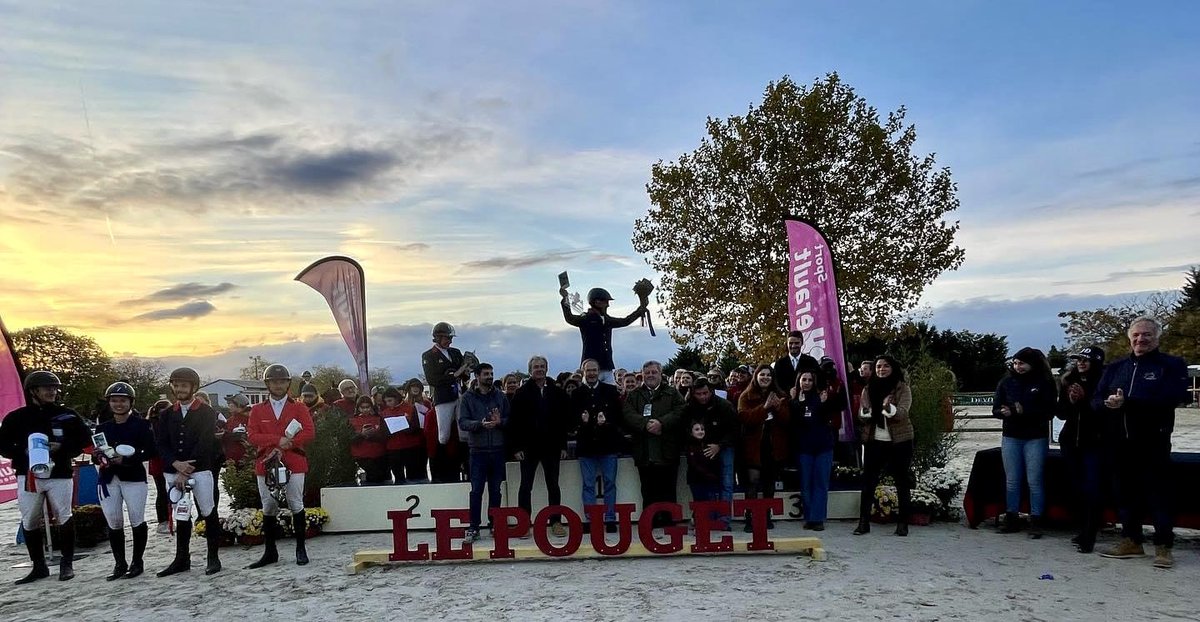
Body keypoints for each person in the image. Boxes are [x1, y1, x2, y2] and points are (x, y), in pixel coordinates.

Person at [1094, 317, 1190, 568]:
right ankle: (1131, 541)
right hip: (1119, 442)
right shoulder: (1116, 367)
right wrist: (1106, 403)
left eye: (1147, 334)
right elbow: (1096, 399)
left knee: (1158, 495)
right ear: (1129, 338)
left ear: (1157, 337)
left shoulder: (1171, 365)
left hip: (1153, 441)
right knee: (1124, 494)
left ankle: (1163, 547)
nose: (1141, 339)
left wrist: (1129, 403)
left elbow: (1174, 396)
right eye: (1136, 335)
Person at [0, 371, 91, 584]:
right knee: (30, 519)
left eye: (54, 388)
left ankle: (67, 563)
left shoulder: (68, 415)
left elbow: (84, 440)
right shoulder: (16, 417)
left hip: (59, 473)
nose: (52, 391)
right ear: (33, 391)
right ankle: (38, 566)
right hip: (28, 475)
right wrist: (22, 450)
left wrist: (62, 447)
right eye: (47, 388)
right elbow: (2, 445)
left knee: (64, 515)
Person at [156, 367, 225, 576]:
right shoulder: (166, 414)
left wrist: (186, 470)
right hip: (174, 469)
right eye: (176, 385)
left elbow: (204, 442)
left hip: (200, 468)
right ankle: (181, 558)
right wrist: (175, 463)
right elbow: (161, 443)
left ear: (193, 387)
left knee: (208, 511)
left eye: (184, 385)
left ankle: (213, 557)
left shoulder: (207, 412)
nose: (179, 389)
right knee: (181, 513)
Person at [247, 364, 316, 568]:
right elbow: (252, 435)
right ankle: (270, 551)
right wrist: (277, 440)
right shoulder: (257, 410)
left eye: (282, 381)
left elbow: (309, 432)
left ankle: (300, 549)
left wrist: (289, 443)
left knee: (296, 503)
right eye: (274, 382)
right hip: (266, 461)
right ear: (267, 384)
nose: (278, 385)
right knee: (269, 505)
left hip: (293, 460)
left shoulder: (299, 407)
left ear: (288, 384)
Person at [94, 381, 157, 580]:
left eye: (122, 400)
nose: (118, 404)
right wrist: (99, 457)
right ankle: (119, 563)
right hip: (109, 478)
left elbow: (151, 451)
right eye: (114, 400)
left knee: (136, 518)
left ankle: (137, 561)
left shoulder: (142, 425)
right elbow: (97, 453)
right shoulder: (102, 427)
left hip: (133, 477)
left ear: (130, 402)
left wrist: (128, 459)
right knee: (114, 520)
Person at [992, 347, 1056, 538]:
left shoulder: (1044, 382)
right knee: (1012, 479)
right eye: (1015, 363)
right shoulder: (1006, 382)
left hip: (1035, 436)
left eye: (1022, 363)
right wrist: (1003, 412)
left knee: (1034, 480)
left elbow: (1049, 411)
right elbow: (996, 408)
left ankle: (1036, 519)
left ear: (1032, 364)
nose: (1017, 367)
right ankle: (1011, 516)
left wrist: (1024, 411)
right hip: (1011, 435)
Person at [510, 355, 572, 537]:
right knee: (525, 486)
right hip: (528, 448)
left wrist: (563, 446)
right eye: (536, 367)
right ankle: (523, 524)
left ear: (547, 368)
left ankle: (556, 522)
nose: (539, 369)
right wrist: (516, 448)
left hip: (552, 447)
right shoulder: (521, 393)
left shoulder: (557, 392)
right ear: (530, 370)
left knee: (553, 486)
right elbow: (514, 422)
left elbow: (563, 422)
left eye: (542, 366)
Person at [854, 355, 914, 537]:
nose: (881, 369)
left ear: (893, 368)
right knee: (868, 482)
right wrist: (864, 413)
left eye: (886, 366)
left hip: (900, 441)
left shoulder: (902, 388)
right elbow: (862, 415)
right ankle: (863, 522)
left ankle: (903, 523)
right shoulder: (868, 388)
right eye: (878, 366)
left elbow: (902, 413)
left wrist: (888, 409)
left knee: (902, 482)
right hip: (875, 441)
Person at [622, 360, 685, 529]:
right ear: (642, 375)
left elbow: (681, 411)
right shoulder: (634, 395)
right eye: (647, 372)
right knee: (648, 489)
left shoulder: (672, 393)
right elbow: (628, 414)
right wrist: (645, 424)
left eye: (654, 372)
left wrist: (661, 423)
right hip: (645, 451)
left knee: (668, 488)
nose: (650, 375)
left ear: (660, 374)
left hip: (667, 450)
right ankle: (651, 521)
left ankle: (669, 522)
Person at [1056, 345, 1106, 553]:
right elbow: (1060, 413)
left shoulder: (1105, 381)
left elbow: (1104, 411)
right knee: (1077, 487)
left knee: (1093, 488)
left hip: (1095, 441)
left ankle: (1090, 533)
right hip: (1070, 441)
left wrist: (1085, 399)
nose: (1081, 363)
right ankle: (1082, 528)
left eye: (1086, 360)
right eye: (1078, 360)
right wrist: (1070, 400)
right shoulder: (1068, 380)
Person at [457, 363, 509, 544]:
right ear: (477, 376)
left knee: (496, 490)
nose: (489, 377)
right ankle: (474, 527)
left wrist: (500, 422)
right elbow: (462, 422)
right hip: (477, 451)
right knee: (476, 490)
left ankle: (494, 524)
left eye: (491, 373)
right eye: (486, 374)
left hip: (497, 449)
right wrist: (479, 424)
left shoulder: (501, 396)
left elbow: (510, 419)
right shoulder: (467, 398)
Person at [572, 359, 625, 533]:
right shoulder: (577, 393)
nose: (592, 373)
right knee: (588, 485)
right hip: (586, 446)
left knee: (610, 483)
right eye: (589, 370)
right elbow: (570, 420)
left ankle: (610, 519)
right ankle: (591, 519)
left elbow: (619, 417)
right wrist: (582, 421)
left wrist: (606, 422)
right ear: (583, 372)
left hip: (608, 445)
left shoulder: (610, 391)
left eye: (594, 370)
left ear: (599, 371)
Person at [737, 364, 790, 531]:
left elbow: (787, 420)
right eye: (762, 375)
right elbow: (745, 418)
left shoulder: (781, 396)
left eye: (768, 375)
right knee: (752, 482)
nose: (765, 378)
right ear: (756, 377)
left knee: (769, 482)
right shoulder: (745, 396)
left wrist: (778, 407)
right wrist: (765, 407)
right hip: (753, 446)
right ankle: (750, 517)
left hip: (773, 446)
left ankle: (767, 516)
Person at [561, 286, 648, 385]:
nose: (608, 305)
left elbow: (625, 321)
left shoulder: (607, 319)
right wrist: (565, 298)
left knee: (611, 392)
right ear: (597, 302)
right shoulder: (585, 319)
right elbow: (569, 318)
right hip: (591, 366)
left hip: (607, 366)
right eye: (606, 302)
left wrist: (641, 309)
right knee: (590, 392)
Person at [682, 377, 738, 530]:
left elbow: (735, 430)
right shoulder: (690, 407)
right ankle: (709, 518)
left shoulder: (724, 405)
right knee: (705, 483)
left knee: (726, 483)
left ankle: (724, 520)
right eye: (698, 394)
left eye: (705, 393)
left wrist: (720, 445)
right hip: (700, 447)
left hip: (724, 445)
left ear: (711, 391)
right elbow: (684, 429)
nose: (702, 397)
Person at [790, 370, 841, 531]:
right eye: (803, 379)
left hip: (823, 447)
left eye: (810, 380)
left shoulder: (821, 397)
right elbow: (794, 422)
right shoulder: (794, 400)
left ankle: (817, 518)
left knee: (820, 483)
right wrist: (796, 402)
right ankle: (809, 517)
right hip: (804, 448)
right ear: (799, 381)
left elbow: (827, 417)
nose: (806, 383)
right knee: (806, 484)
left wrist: (823, 403)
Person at [421, 322, 471, 445]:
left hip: (460, 394)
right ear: (437, 338)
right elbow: (432, 380)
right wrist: (453, 376)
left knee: (464, 433)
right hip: (443, 397)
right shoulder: (428, 355)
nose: (450, 341)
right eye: (447, 338)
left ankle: (464, 455)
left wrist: (467, 369)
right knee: (443, 436)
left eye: (450, 338)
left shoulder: (455, 352)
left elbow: (464, 375)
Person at [385, 386, 428, 484]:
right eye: (386, 401)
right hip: (394, 448)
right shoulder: (384, 412)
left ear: (396, 398)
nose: (388, 404)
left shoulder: (410, 408)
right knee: (398, 477)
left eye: (390, 400)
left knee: (413, 476)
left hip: (410, 446)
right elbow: (384, 432)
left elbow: (416, 427)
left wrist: (404, 426)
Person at [686, 421, 722, 526]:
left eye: (702, 429)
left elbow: (713, 461)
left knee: (707, 501)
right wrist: (708, 474)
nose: (700, 431)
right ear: (691, 432)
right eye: (697, 429)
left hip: (708, 480)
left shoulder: (708, 445)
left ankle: (704, 521)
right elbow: (693, 464)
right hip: (696, 479)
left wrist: (713, 475)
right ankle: (696, 521)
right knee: (698, 500)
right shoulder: (690, 446)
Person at [146, 398, 173, 534]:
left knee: (163, 491)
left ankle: (166, 520)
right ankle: (164, 520)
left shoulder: (152, 423)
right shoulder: (156, 425)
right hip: (161, 461)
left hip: (160, 462)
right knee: (164, 492)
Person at [349, 395, 389, 484]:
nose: (365, 410)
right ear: (358, 408)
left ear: (371, 407)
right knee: (371, 479)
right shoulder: (352, 420)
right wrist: (362, 435)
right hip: (362, 456)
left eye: (367, 407)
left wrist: (373, 435)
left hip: (379, 455)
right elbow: (350, 439)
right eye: (362, 407)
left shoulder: (378, 418)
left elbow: (385, 436)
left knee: (382, 479)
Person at [773, 330, 820, 398]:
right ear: (787, 344)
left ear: (802, 343)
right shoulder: (780, 363)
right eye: (791, 343)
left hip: (808, 400)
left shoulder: (811, 361)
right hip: (786, 401)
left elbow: (818, 381)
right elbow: (776, 384)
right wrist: (788, 392)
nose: (793, 346)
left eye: (796, 343)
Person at [220, 394, 253, 468]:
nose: (228, 405)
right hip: (231, 461)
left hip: (246, 460)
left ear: (238, 405)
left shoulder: (250, 419)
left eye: (230, 403)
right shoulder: (230, 420)